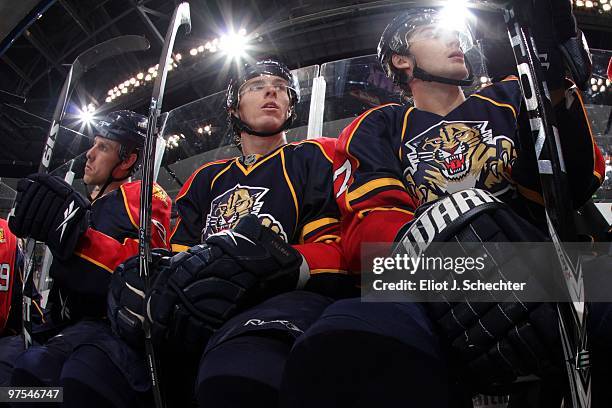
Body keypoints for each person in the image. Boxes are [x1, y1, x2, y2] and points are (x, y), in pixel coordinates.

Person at [280, 5, 605, 408]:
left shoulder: (509, 95)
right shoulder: (379, 126)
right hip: (432, 284)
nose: (455, 40)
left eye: (456, 34)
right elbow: (374, 229)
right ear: (402, 60)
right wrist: (457, 272)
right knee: (341, 340)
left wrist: (553, 84)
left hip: (541, 262)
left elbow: (571, 184)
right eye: (435, 33)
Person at [107, 59, 353, 407]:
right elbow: (180, 258)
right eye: (256, 86)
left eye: (281, 88)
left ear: (290, 105)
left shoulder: (313, 157)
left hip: (281, 308)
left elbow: (336, 255)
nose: (271, 90)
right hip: (203, 312)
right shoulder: (205, 178)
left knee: (238, 376)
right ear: (234, 108)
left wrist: (274, 262)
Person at [3, 110, 172, 407]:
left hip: (109, 335)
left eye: (103, 147)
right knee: (9, 383)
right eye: (93, 145)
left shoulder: (143, 195)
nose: (89, 155)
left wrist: (75, 237)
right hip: (64, 328)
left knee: (43, 376)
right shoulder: (87, 207)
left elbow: (143, 267)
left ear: (128, 160)